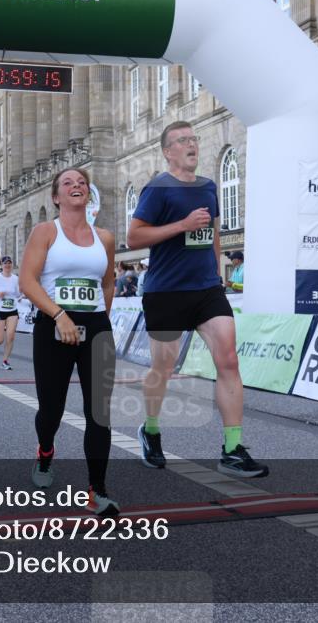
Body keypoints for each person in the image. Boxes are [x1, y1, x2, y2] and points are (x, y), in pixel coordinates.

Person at [127, 120, 268, 477]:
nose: (191, 144)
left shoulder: (208, 187)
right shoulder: (157, 189)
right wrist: (180, 226)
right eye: (182, 140)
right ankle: (151, 430)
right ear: (168, 151)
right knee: (163, 368)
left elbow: (214, 233)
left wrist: (217, 277)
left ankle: (232, 449)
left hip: (206, 289)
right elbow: (134, 238)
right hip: (166, 291)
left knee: (229, 361)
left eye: (194, 138)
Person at [19, 167, 120, 516]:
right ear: (56, 196)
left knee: (100, 412)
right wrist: (61, 315)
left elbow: (107, 282)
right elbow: (28, 282)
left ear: (88, 194)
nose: (76, 186)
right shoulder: (45, 231)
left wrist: (100, 317)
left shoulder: (104, 238)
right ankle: (45, 450)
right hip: (54, 324)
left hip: (94, 326)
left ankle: (97, 490)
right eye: (68, 183)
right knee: (52, 410)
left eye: (82, 183)